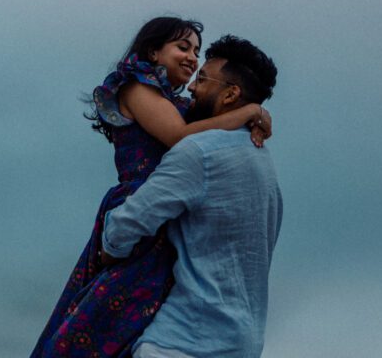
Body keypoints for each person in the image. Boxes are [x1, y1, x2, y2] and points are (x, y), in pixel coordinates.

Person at [29, 18, 272, 358]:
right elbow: (179, 137)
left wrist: (252, 117)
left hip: (165, 209)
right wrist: (249, 111)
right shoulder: (136, 88)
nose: (192, 58)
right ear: (153, 51)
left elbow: (207, 129)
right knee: (107, 305)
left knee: (143, 307)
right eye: (183, 47)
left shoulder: (180, 106)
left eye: (197, 52)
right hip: (139, 201)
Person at [101, 35, 282, 358]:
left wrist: (109, 249)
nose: (192, 88)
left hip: (180, 343)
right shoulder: (264, 163)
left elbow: (127, 224)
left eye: (203, 79)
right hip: (243, 345)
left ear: (230, 94)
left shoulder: (198, 152)